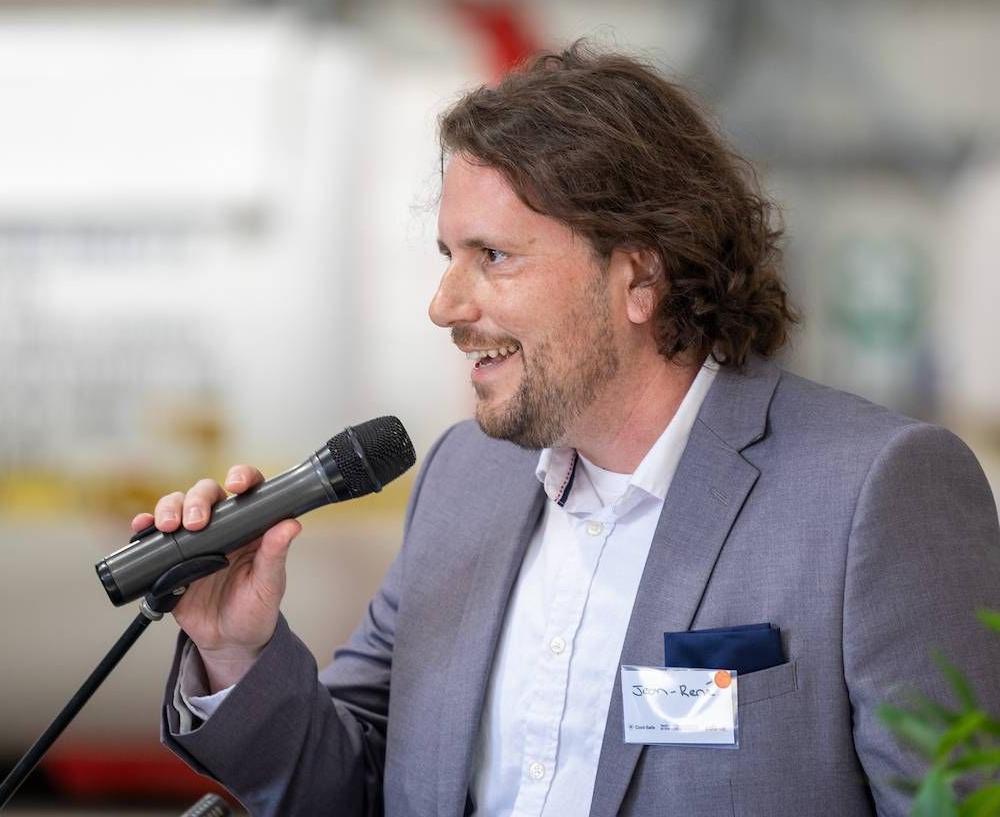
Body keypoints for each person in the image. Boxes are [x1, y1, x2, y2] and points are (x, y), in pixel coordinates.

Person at [134, 42, 1000, 816]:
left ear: (640, 276)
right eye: (447, 258)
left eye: (493, 257)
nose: (444, 305)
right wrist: (237, 648)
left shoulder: (875, 492)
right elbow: (356, 788)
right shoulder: (464, 477)